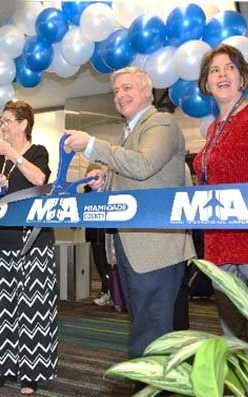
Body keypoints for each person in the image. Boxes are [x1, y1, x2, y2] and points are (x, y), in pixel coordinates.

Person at [64, 67, 195, 366]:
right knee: (155, 325)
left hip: (155, 248)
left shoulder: (160, 122)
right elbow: (133, 178)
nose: (120, 96)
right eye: (116, 91)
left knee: (151, 333)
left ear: (148, 91)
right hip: (135, 245)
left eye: (127, 88)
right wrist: (104, 179)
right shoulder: (130, 132)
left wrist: (93, 146)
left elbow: (144, 165)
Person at [0, 100, 57, 396]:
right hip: (2, 239)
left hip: (34, 241)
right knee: (3, 307)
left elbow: (41, 180)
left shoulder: (37, 152)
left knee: (33, 308)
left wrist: (13, 155)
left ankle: (32, 372)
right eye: (1, 122)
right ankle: (4, 368)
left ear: (24, 124)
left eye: (8, 121)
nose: (3, 126)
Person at [194, 43, 248, 340]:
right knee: (234, 340)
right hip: (220, 247)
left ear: (242, 78)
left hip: (247, 245)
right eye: (215, 70)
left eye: (230, 67)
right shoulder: (214, 128)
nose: (222, 74)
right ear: (206, 83)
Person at [83, 164, 112, 307]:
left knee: (108, 265)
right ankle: (106, 291)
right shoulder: (86, 193)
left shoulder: (108, 190)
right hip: (94, 235)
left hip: (106, 233)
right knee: (100, 264)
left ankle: (108, 291)